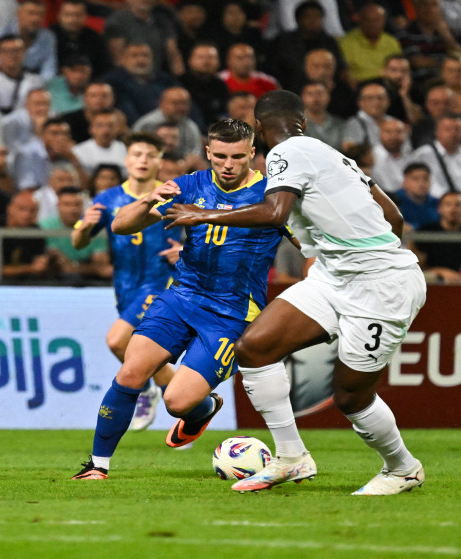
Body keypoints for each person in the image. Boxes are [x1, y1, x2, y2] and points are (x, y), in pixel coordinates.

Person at [164, 90, 426, 495]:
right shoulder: (332, 155)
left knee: (351, 396)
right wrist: (344, 251)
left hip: (381, 286)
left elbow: (275, 213)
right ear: (302, 122)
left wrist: (201, 215)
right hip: (334, 276)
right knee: (255, 348)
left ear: (259, 129)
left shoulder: (285, 154)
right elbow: (393, 217)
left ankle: (403, 468)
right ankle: (291, 458)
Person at [72, 120, 289, 480]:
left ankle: (202, 408)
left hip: (232, 314)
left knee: (176, 401)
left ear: (253, 154)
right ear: (208, 152)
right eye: (220, 156)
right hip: (180, 297)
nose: (228, 165)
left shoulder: (273, 197)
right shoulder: (190, 185)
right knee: (130, 371)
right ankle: (97, 465)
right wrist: (148, 200)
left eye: (238, 157)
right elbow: (121, 225)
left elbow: (310, 245)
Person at [69, 132, 182, 455]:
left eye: (150, 154)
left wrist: (185, 250)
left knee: (117, 340)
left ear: (160, 160)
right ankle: (191, 409)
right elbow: (79, 244)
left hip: (162, 283)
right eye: (137, 154)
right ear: (126, 160)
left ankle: (144, 389)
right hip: (125, 288)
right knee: (141, 352)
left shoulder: (173, 193)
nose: (143, 160)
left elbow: (203, 230)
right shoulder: (108, 198)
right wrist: (83, 227)